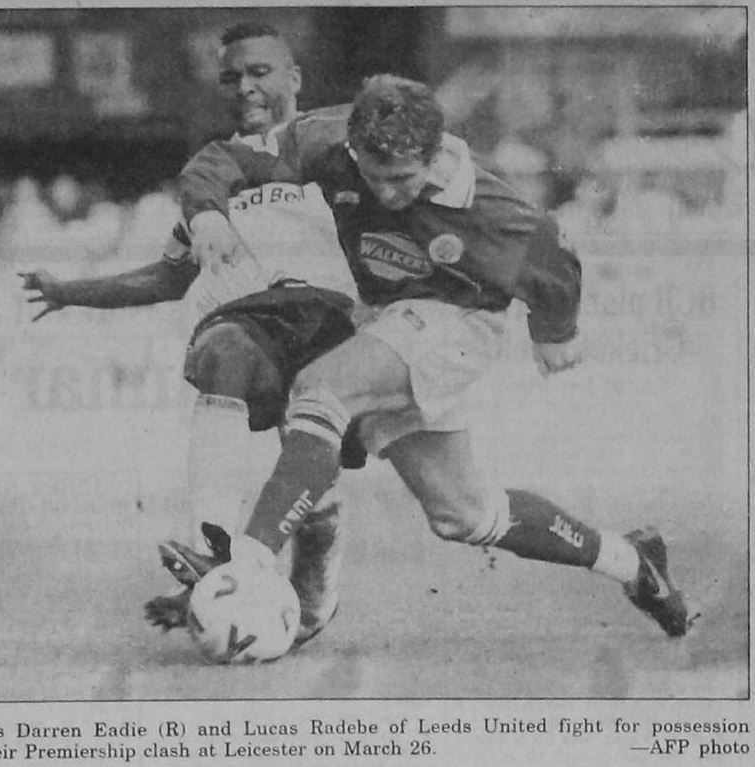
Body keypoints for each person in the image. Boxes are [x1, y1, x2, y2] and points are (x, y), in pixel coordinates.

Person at [167, 74, 691, 649]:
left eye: (402, 179)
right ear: (353, 150)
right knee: (464, 515)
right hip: (389, 318)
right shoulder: (324, 139)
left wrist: (555, 332)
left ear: (435, 154)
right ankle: (632, 561)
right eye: (374, 176)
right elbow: (223, 159)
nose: (387, 193)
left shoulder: (482, 206)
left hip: (461, 321)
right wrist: (207, 214)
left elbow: (553, 250)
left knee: (322, 390)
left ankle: (247, 561)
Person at [19, 23, 361, 646]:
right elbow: (168, 276)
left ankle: (315, 567)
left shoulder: (338, 144)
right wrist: (70, 292)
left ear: (294, 78)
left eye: (259, 72)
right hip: (262, 326)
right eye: (231, 77)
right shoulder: (212, 174)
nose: (245, 87)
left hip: (343, 328)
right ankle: (216, 550)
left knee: (338, 497)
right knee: (219, 350)